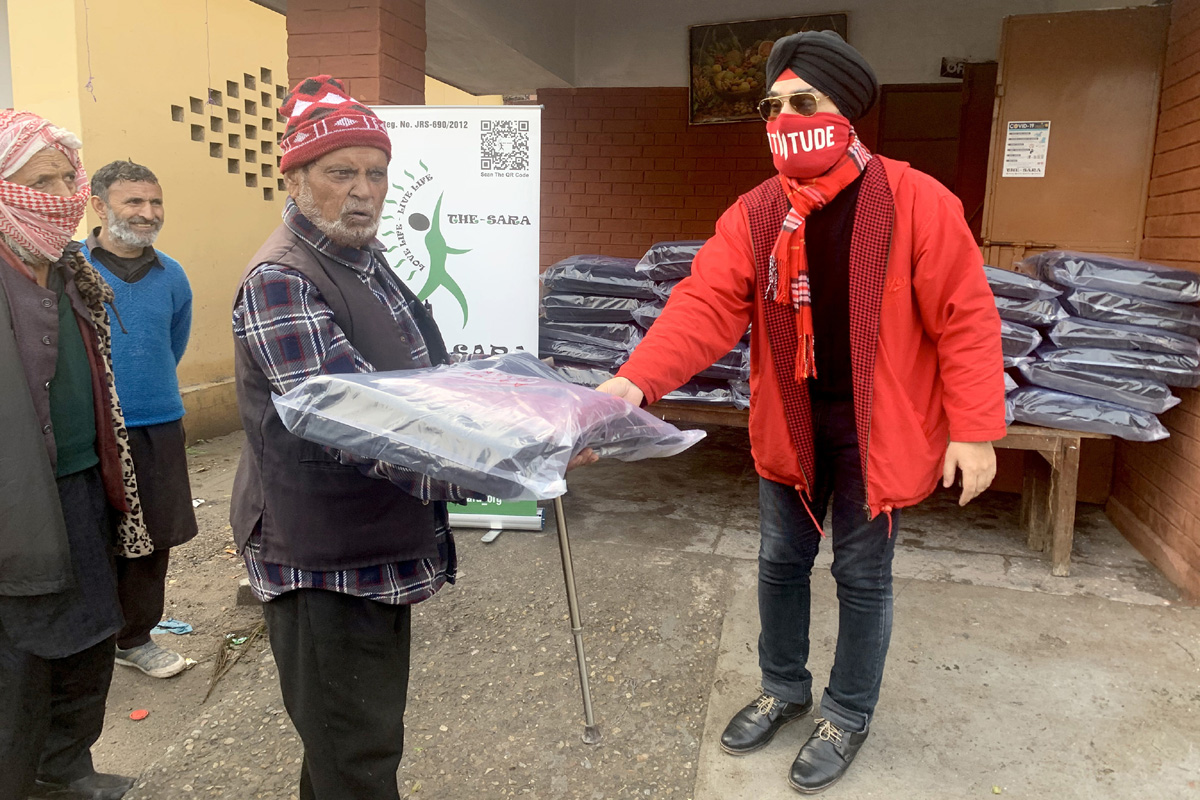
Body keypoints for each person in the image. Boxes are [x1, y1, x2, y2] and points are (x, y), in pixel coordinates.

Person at [598, 32, 1005, 794]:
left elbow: (967, 317)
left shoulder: (915, 201)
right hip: (791, 420)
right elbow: (703, 304)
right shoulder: (757, 214)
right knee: (780, 562)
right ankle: (783, 688)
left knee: (861, 573)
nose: (785, 118)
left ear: (843, 110)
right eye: (773, 105)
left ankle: (846, 712)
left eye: (803, 102)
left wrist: (975, 430)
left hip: (877, 428)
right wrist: (632, 383)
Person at [230, 74, 597, 800]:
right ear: (295, 178)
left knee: (345, 749)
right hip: (323, 561)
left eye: (376, 173)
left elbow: (417, 387)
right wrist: (506, 465)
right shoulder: (283, 280)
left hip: (367, 542)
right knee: (357, 759)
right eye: (340, 173)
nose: (363, 191)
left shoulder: (360, 258)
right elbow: (358, 426)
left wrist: (521, 402)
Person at [0, 110, 151, 800]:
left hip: (86, 482)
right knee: (22, 654)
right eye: (41, 182)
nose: (61, 194)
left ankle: (67, 767)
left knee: (93, 631)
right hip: (14, 501)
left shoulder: (69, 269)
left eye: (68, 178)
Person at [82, 159, 197, 680]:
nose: (148, 213)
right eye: (134, 201)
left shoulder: (173, 276)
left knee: (154, 536)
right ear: (99, 206)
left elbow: (172, 344)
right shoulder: (71, 271)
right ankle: (92, 638)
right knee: (91, 534)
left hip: (156, 422)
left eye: (155, 202)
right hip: (89, 429)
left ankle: (134, 638)